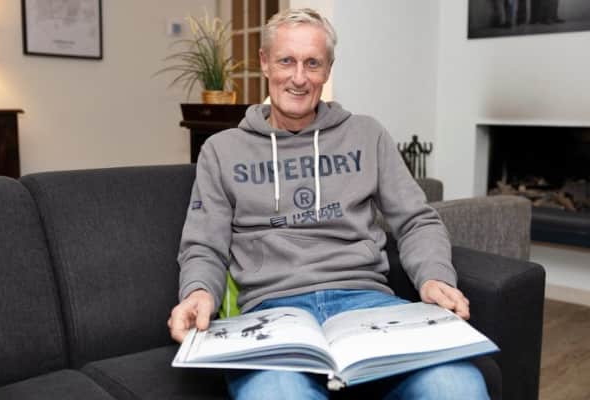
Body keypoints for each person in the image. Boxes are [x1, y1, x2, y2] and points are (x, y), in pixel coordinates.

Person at [169, 8, 489, 400]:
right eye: (286, 61)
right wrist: (199, 292)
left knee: (457, 385)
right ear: (264, 62)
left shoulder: (367, 134)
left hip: (367, 305)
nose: (299, 77)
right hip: (273, 315)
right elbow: (204, 245)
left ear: (328, 69)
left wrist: (434, 276)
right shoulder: (222, 150)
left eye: (313, 63)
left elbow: (416, 221)